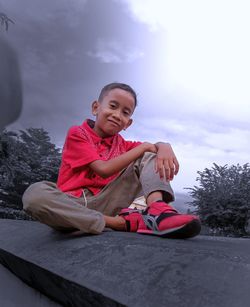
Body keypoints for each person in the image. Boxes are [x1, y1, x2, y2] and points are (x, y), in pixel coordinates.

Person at [22, 83, 201, 238]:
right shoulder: (78, 133)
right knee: (34, 195)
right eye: (113, 106)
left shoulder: (124, 145)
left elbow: (152, 150)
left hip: (109, 203)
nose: (117, 114)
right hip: (72, 205)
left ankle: (158, 210)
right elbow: (103, 169)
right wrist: (145, 146)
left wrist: (165, 145)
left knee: (148, 156)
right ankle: (119, 223)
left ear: (128, 123)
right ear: (95, 108)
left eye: (125, 112)